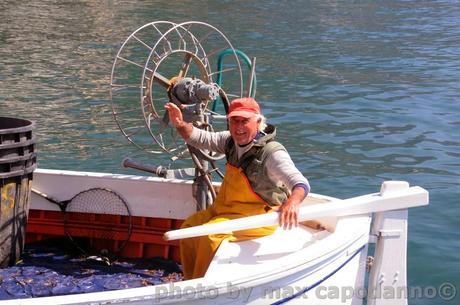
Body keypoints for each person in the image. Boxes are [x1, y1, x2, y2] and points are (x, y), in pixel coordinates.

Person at [165, 97, 310, 279]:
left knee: (211, 236)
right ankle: (190, 278)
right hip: (225, 211)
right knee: (189, 228)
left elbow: (300, 183)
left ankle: (202, 286)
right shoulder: (230, 141)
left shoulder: (272, 153)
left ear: (258, 121)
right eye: (234, 121)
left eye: (244, 121)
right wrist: (179, 124)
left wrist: (293, 203)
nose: (239, 127)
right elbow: (199, 137)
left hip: (259, 216)